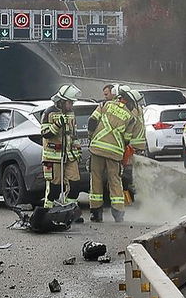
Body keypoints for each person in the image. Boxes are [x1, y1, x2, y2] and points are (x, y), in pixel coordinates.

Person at [86, 84, 145, 222]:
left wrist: (91, 137)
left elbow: (92, 121)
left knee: (96, 180)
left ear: (118, 97)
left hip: (97, 149)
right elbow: (127, 138)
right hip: (115, 153)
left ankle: (96, 213)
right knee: (115, 181)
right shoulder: (130, 116)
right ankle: (118, 213)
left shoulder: (104, 105)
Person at [42, 84, 83, 202]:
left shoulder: (71, 113)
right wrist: (57, 124)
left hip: (70, 156)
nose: (71, 105)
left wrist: (78, 150)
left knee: (75, 186)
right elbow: (45, 133)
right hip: (54, 157)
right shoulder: (49, 113)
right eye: (70, 102)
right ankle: (48, 212)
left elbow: (74, 134)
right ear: (62, 101)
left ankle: (69, 210)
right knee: (54, 189)